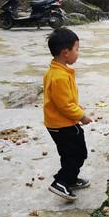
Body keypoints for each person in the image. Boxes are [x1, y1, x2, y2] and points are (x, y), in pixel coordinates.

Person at [43, 28, 92, 201]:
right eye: (76, 49)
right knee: (77, 154)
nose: (78, 53)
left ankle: (70, 179)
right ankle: (61, 182)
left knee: (70, 154)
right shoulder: (59, 77)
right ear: (65, 53)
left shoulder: (58, 71)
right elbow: (64, 105)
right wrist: (82, 116)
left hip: (60, 124)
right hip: (63, 125)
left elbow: (65, 100)